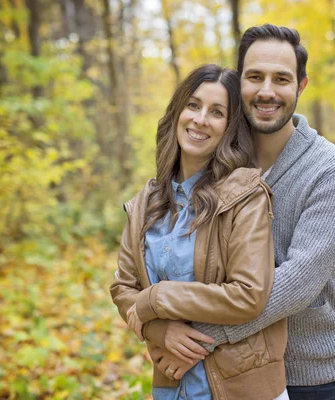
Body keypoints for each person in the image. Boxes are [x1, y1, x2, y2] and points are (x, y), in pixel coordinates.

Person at [142, 25, 335, 400]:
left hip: (310, 377)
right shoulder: (214, 159)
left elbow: (297, 283)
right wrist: (157, 329)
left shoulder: (333, 170)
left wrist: (194, 336)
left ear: (301, 86)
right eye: (255, 77)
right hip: (226, 379)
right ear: (238, 81)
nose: (266, 91)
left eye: (281, 79)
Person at [110, 64, 290, 399]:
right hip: (171, 386)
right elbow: (123, 287)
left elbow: (248, 294)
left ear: (229, 127)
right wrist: (156, 327)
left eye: (217, 112)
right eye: (193, 105)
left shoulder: (244, 195)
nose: (201, 119)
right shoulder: (145, 203)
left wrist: (158, 298)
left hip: (241, 387)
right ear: (177, 111)